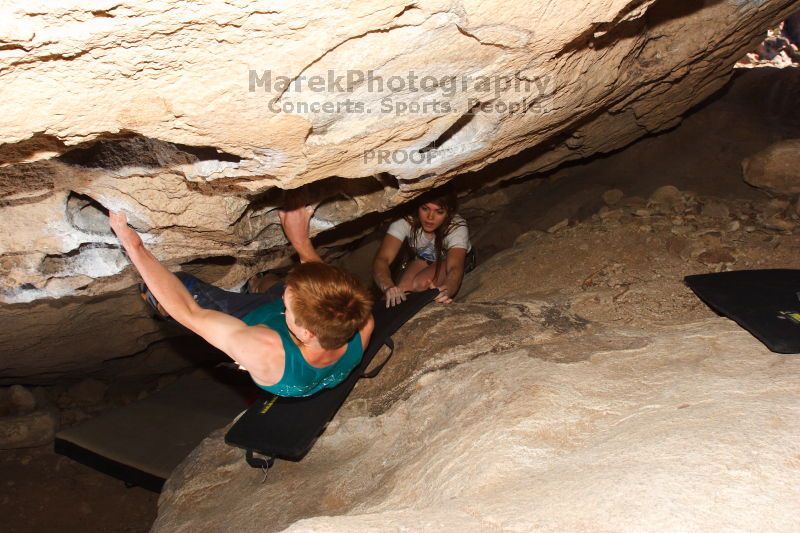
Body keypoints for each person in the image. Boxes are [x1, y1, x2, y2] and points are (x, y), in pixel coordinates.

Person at [109, 206, 374, 397]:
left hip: (253, 325)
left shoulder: (261, 349)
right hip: (279, 324)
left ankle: (164, 304)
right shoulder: (360, 320)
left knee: (168, 289)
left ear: (307, 332)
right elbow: (326, 289)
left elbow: (189, 313)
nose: (286, 297)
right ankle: (256, 284)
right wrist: (301, 241)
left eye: (288, 303)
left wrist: (135, 247)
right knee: (276, 285)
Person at [372, 193, 475, 308]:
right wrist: (388, 286)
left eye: (439, 212)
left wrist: (447, 289)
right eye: (425, 209)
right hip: (423, 258)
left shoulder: (456, 227)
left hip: (449, 260)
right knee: (401, 290)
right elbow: (382, 259)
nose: (430, 217)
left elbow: (454, 268)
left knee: (421, 284)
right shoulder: (405, 220)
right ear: (417, 206)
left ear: (448, 212)